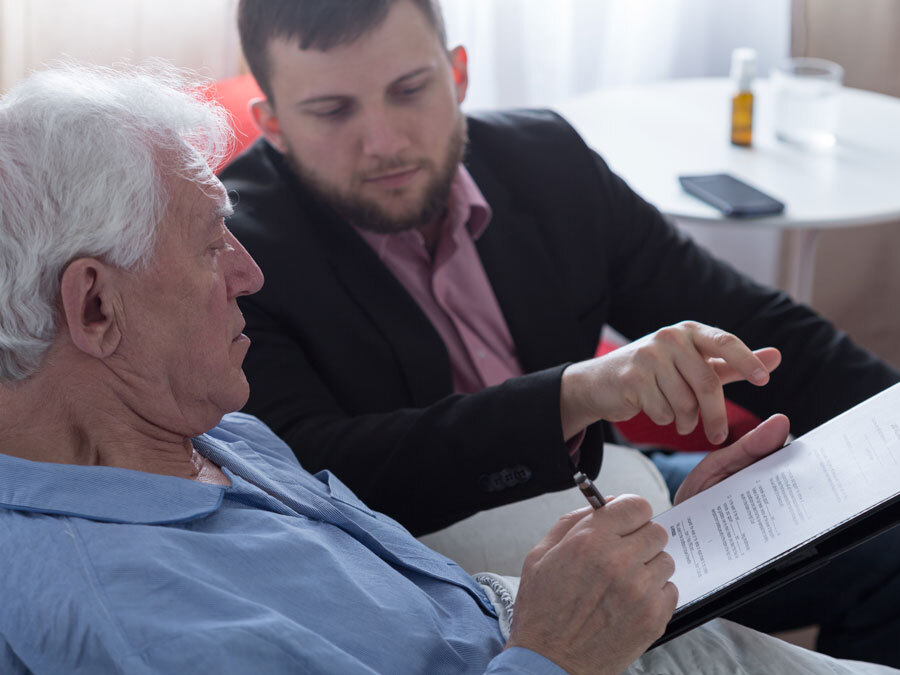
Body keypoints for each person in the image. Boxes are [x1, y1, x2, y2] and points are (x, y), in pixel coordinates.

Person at [2, 60, 898, 675]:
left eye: (410, 88)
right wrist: (557, 653)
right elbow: (374, 469)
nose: (247, 272)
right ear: (95, 306)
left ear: (457, 73)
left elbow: (434, 607)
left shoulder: (206, 429)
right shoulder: (131, 616)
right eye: (210, 246)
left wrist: (681, 550)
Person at [220, 0, 900, 666]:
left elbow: (747, 320)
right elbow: (310, 467)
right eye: (333, 111)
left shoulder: (546, 158)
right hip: (440, 583)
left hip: (614, 490)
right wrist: (573, 395)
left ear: (457, 74)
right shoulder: (234, 250)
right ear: (273, 122)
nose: (385, 141)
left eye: (410, 89)